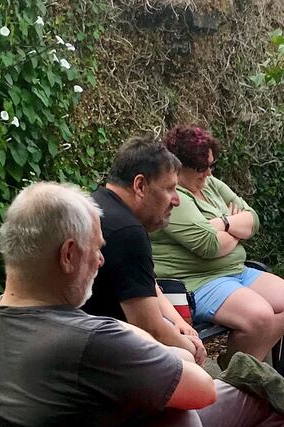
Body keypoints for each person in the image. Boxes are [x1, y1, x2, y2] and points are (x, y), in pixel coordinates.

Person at [0, 182, 284, 427]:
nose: (101, 260)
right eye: (96, 250)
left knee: (260, 392)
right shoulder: (93, 342)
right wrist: (152, 341)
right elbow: (201, 388)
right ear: (68, 254)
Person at [150, 126, 284, 361]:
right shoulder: (174, 195)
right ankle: (240, 379)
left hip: (234, 271)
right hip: (197, 281)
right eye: (201, 168)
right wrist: (237, 227)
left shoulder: (209, 184)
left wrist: (223, 224)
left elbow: (253, 219)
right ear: (178, 167)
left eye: (212, 165)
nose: (208, 173)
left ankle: (239, 368)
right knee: (259, 315)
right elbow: (208, 245)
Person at [82, 136, 207, 366]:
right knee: (186, 360)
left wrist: (177, 321)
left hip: (79, 341)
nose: (176, 200)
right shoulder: (127, 232)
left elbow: (143, 284)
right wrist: (194, 348)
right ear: (140, 185)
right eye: (170, 189)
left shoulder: (99, 205)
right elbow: (150, 328)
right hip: (97, 358)